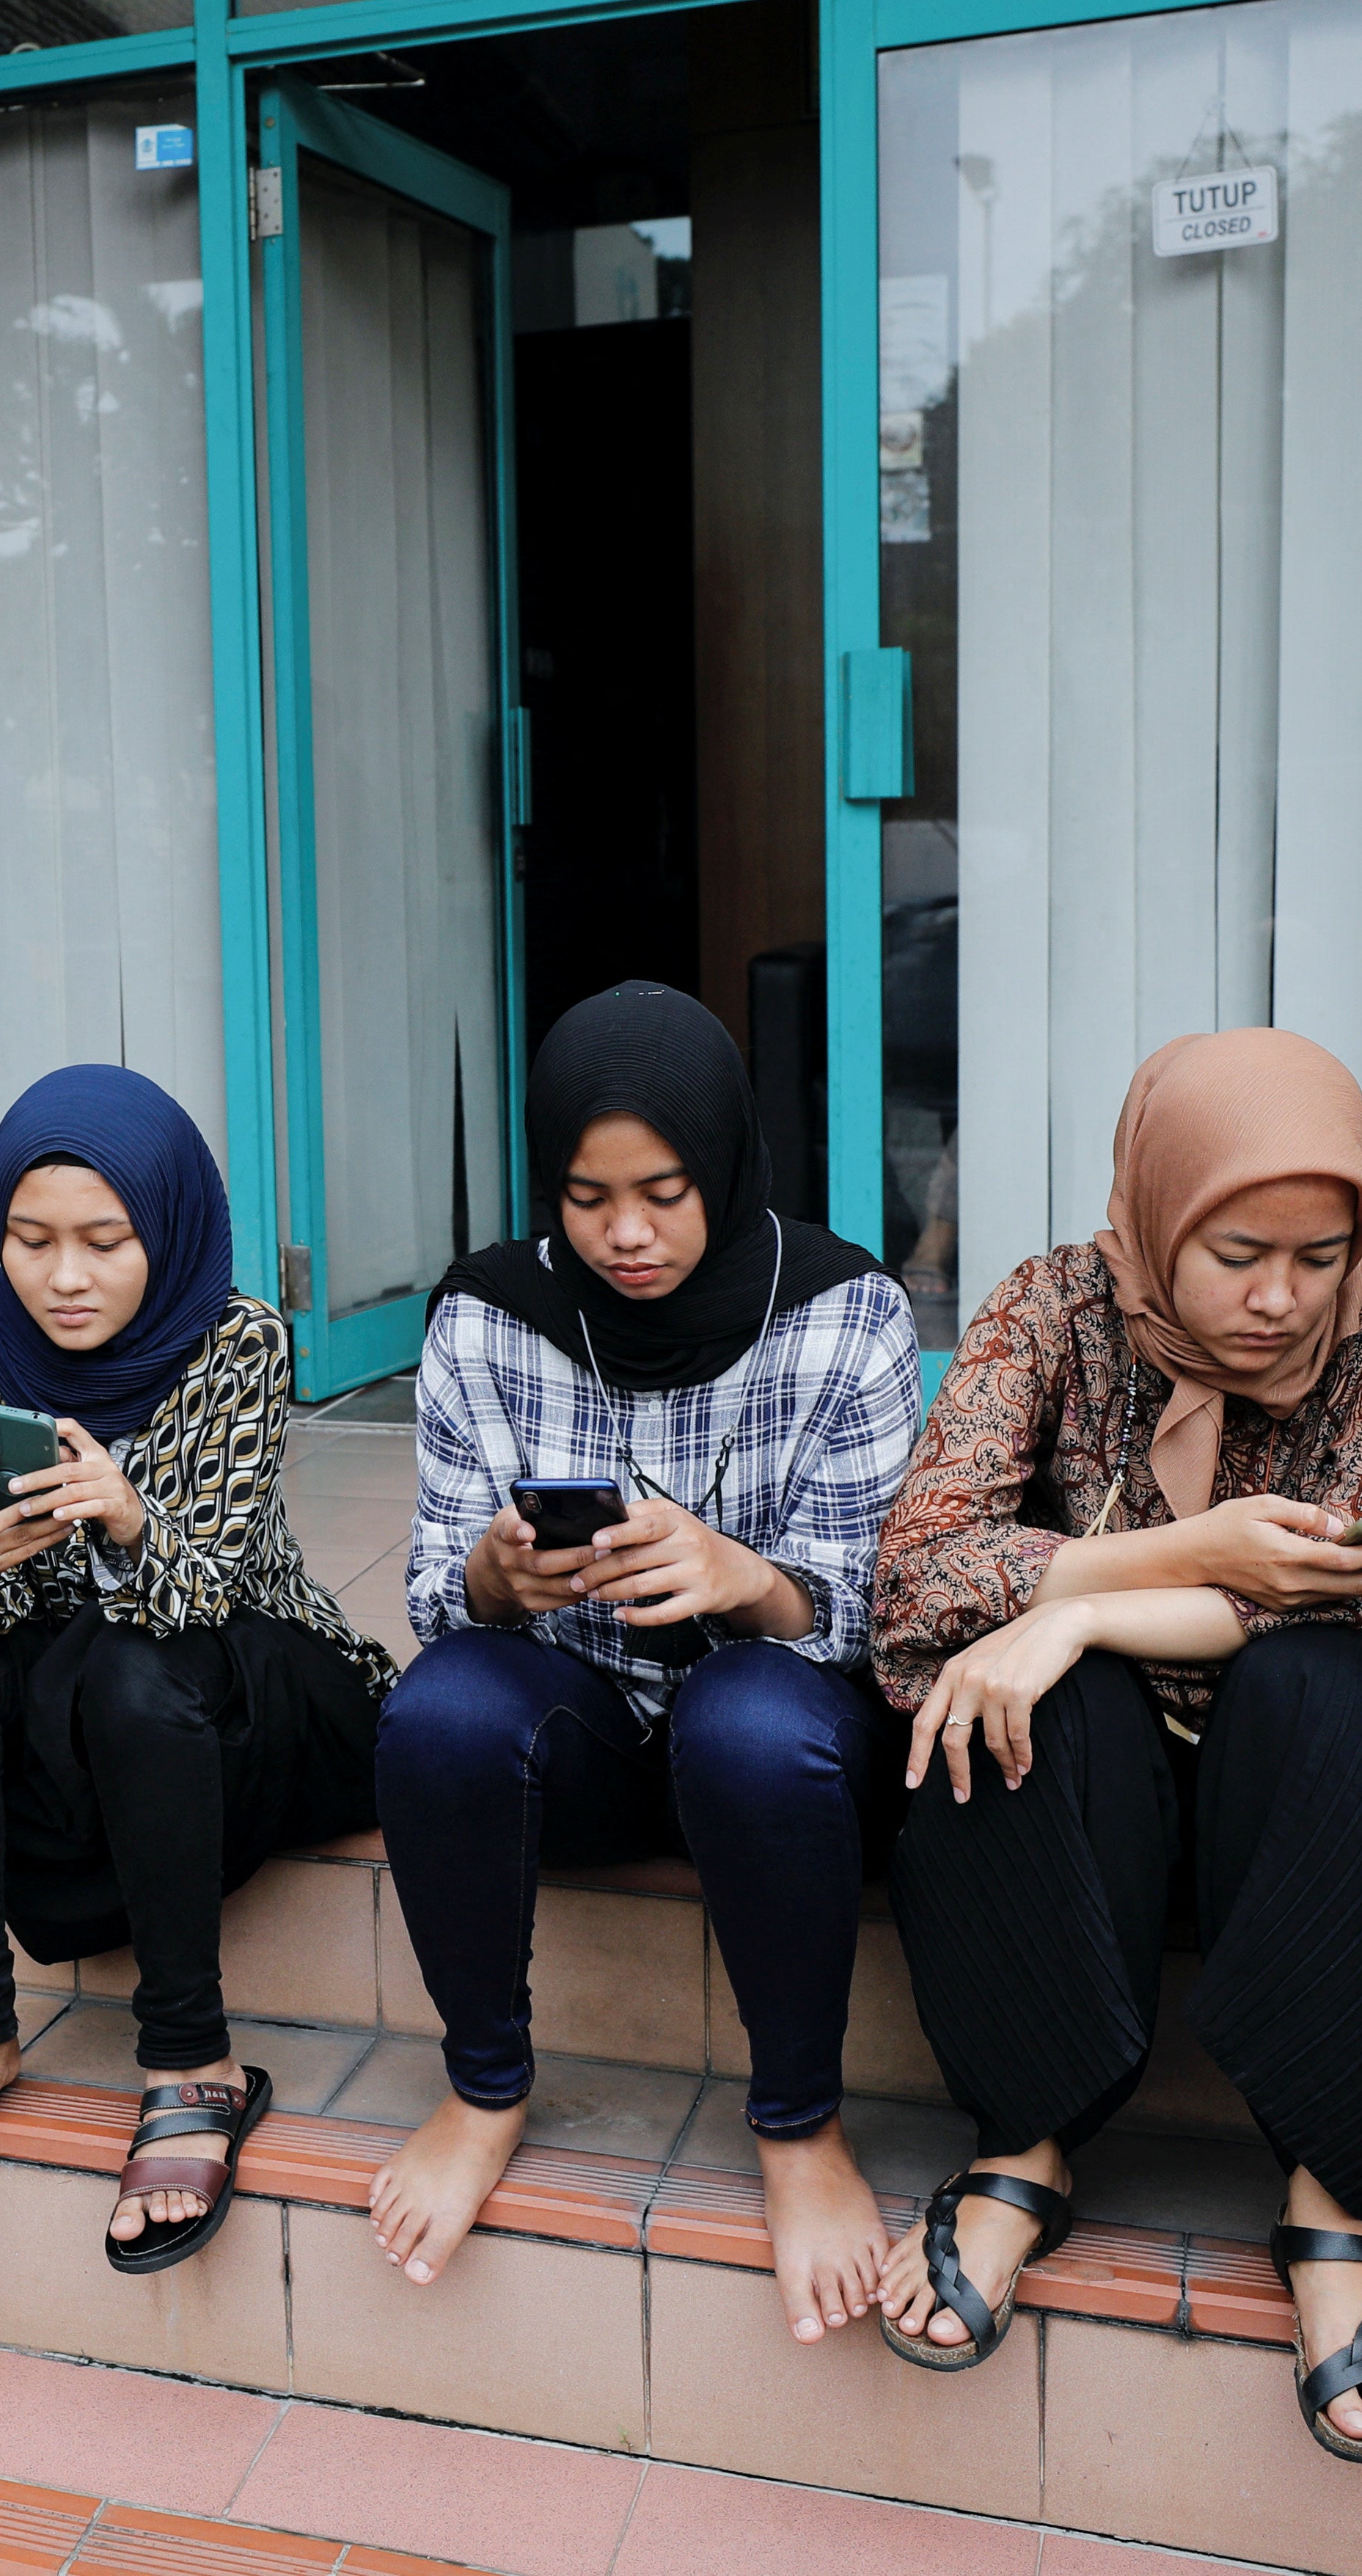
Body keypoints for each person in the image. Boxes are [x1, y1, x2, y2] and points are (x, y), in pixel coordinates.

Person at [866, 1028, 1362, 2463]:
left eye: (1319, 1252)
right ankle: (1023, 2138)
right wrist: (1176, 1560)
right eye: (1237, 1246)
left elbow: (1359, 1586)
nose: (1278, 1296)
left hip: (1312, 1767)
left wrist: (1075, 1608)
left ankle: (1330, 2194)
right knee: (1004, 1685)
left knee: (1311, 1679)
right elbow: (914, 1578)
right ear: (1157, 1206)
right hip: (1101, 1769)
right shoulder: (1050, 1305)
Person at [368, 982, 920, 2344]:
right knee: (436, 1709)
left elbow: (898, 1618)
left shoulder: (847, 1316)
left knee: (745, 1714)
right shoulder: (487, 1317)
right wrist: (494, 1577)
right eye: (586, 1193)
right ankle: (484, 2087)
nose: (625, 1233)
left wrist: (751, 1580)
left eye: (666, 1191)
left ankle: (799, 2124)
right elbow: (439, 1591)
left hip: (785, 1744)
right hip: (593, 1730)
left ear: (725, 1163)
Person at [0, 1066, 385, 2268]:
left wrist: (127, 1517)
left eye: (103, 1239)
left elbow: (211, 1588)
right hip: (72, 1659)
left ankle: (192, 2052)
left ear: (165, 1226)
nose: (63, 1277)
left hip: (248, 1657)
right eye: (31, 1239)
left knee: (133, 1667)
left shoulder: (240, 1338)